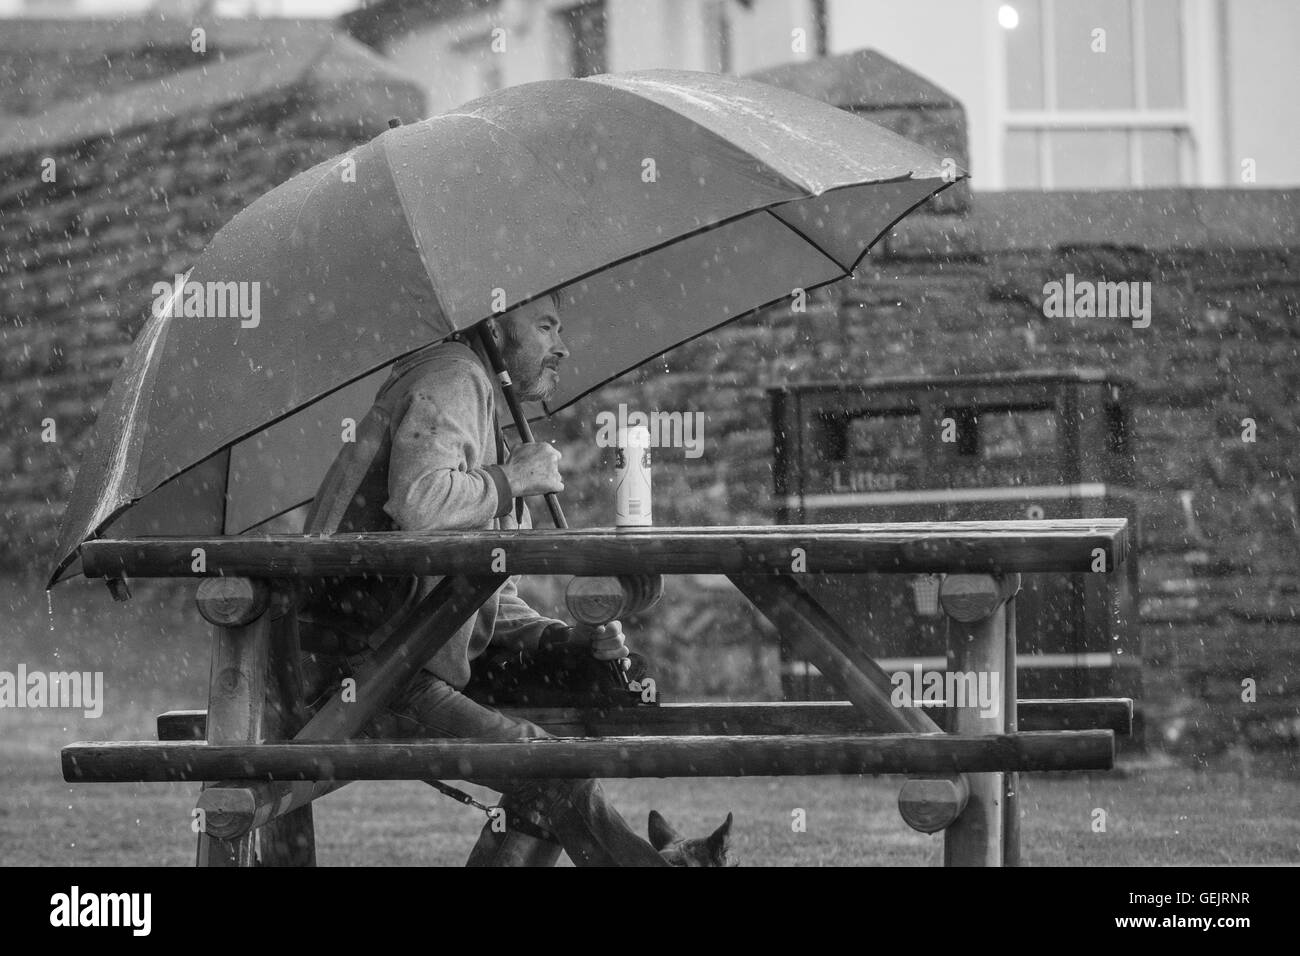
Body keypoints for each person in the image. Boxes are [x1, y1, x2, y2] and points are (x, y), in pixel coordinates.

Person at [295, 292, 693, 866]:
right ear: (496, 332)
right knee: (551, 769)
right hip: (371, 677)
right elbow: (420, 502)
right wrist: (510, 479)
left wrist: (562, 639)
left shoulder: (482, 406)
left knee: (558, 756)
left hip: (410, 663)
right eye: (546, 327)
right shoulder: (455, 375)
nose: (562, 346)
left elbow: (488, 595)